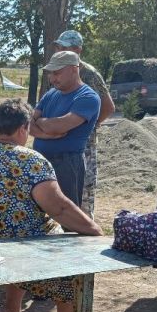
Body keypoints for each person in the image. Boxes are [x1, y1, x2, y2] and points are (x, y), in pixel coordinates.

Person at [0, 100, 103, 312]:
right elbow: (60, 207)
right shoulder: (33, 161)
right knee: (72, 268)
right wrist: (93, 229)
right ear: (23, 128)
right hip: (17, 250)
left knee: (21, 229)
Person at [52, 30, 116, 216]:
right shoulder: (55, 70)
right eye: (58, 47)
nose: (59, 51)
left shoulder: (89, 73)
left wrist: (88, 126)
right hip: (58, 143)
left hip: (82, 146)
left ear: (78, 50)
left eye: (64, 48)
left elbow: (108, 107)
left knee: (82, 195)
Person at [30, 51, 101, 208]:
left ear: (74, 69)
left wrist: (40, 121)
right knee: (38, 211)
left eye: (57, 73)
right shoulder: (51, 94)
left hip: (67, 163)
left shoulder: (88, 97)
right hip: (40, 160)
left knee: (66, 212)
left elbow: (60, 126)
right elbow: (28, 123)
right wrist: (47, 135)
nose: (52, 78)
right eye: (50, 73)